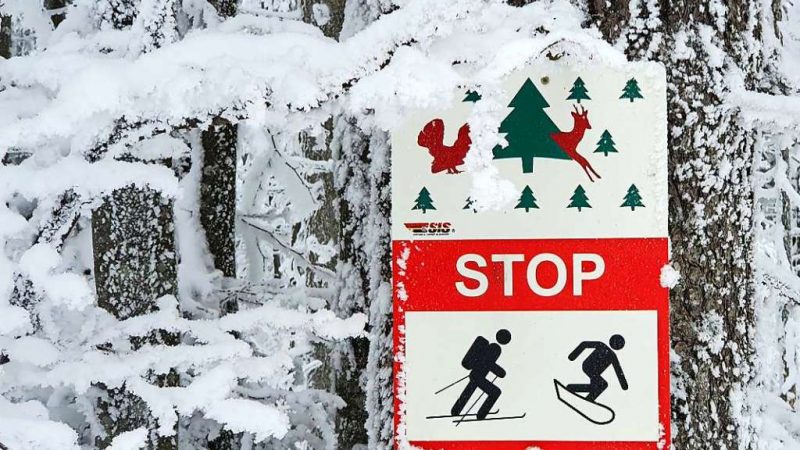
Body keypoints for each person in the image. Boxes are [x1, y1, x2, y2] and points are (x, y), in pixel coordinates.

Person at [450, 329, 511, 420]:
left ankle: (456, 410)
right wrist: (501, 372)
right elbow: (490, 364)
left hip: (475, 375)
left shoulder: (488, 348)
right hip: (479, 377)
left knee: (469, 390)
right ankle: (481, 414)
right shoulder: (493, 349)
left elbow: (489, 364)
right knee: (495, 392)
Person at [566, 334, 628, 402]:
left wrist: (624, 385)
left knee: (598, 385)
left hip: (593, 370)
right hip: (588, 366)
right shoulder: (603, 347)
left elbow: (618, 371)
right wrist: (572, 356)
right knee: (602, 384)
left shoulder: (611, 354)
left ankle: (573, 389)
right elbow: (584, 344)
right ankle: (585, 396)